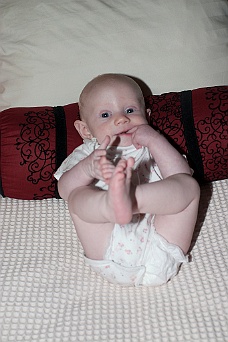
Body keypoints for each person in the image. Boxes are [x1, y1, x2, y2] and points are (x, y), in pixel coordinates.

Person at [54, 73, 200, 286]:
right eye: (105, 115)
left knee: (188, 186)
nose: (121, 119)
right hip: (106, 243)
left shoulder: (154, 147)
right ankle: (110, 205)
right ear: (85, 130)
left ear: (147, 116)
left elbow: (181, 174)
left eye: (130, 110)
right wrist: (87, 168)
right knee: (77, 196)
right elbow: (64, 191)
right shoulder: (89, 154)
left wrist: (155, 140)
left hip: (161, 245)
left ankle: (132, 199)